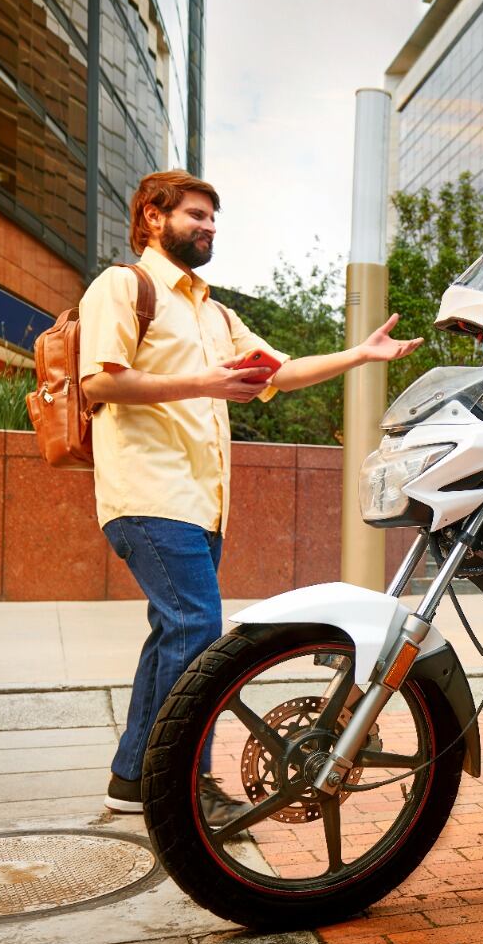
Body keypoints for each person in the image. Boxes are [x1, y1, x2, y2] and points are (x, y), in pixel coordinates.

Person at [80, 170, 420, 822]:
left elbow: (279, 373)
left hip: (201, 503)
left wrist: (360, 353)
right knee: (198, 632)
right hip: (149, 493)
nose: (209, 226)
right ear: (152, 217)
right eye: (195, 214)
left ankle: (131, 779)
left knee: (173, 635)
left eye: (214, 218)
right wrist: (203, 383)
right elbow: (100, 381)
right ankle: (185, 786)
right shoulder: (126, 286)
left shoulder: (214, 311)